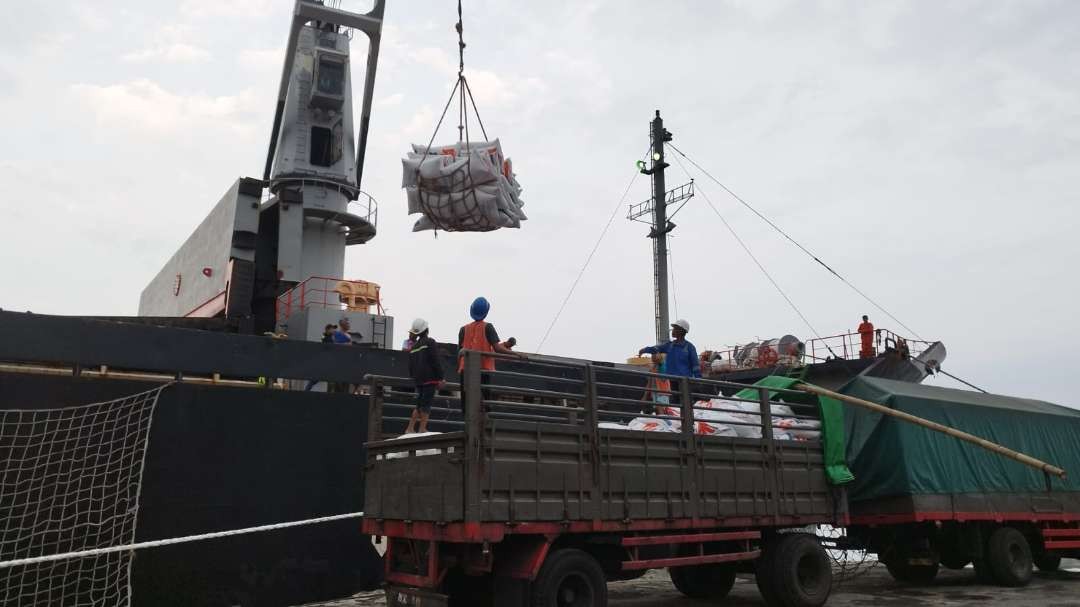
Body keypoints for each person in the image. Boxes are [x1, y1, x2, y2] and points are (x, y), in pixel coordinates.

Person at [405, 318, 444, 434]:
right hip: (430, 380)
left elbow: (410, 366)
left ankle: (410, 428)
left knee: (419, 404)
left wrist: (414, 377)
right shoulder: (430, 342)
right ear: (427, 329)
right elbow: (435, 361)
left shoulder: (414, 347)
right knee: (426, 405)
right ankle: (422, 429)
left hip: (419, 380)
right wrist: (441, 377)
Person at [304, 324, 337, 391]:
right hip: (324, 362)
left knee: (329, 380)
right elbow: (328, 347)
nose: (333, 330)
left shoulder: (330, 337)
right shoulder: (325, 337)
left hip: (327, 362)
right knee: (315, 379)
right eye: (332, 329)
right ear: (328, 329)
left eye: (333, 329)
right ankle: (306, 391)